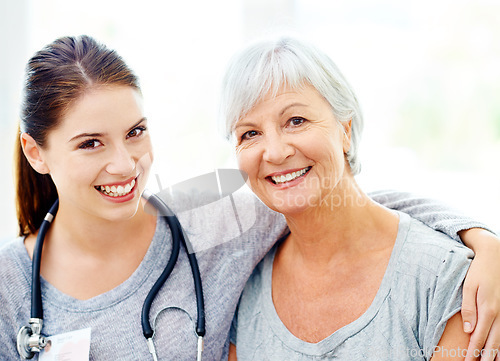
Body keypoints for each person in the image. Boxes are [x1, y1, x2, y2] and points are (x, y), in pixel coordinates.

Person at [0, 35, 497, 361]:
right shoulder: (9, 284)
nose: (125, 165)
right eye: (91, 143)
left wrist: (483, 238)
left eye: (135, 132)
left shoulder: (198, 208)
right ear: (35, 152)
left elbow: (335, 196)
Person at [223, 36, 500, 360]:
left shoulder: (449, 280)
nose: (275, 151)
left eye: (295, 121)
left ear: (345, 129)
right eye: (250, 133)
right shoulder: (246, 286)